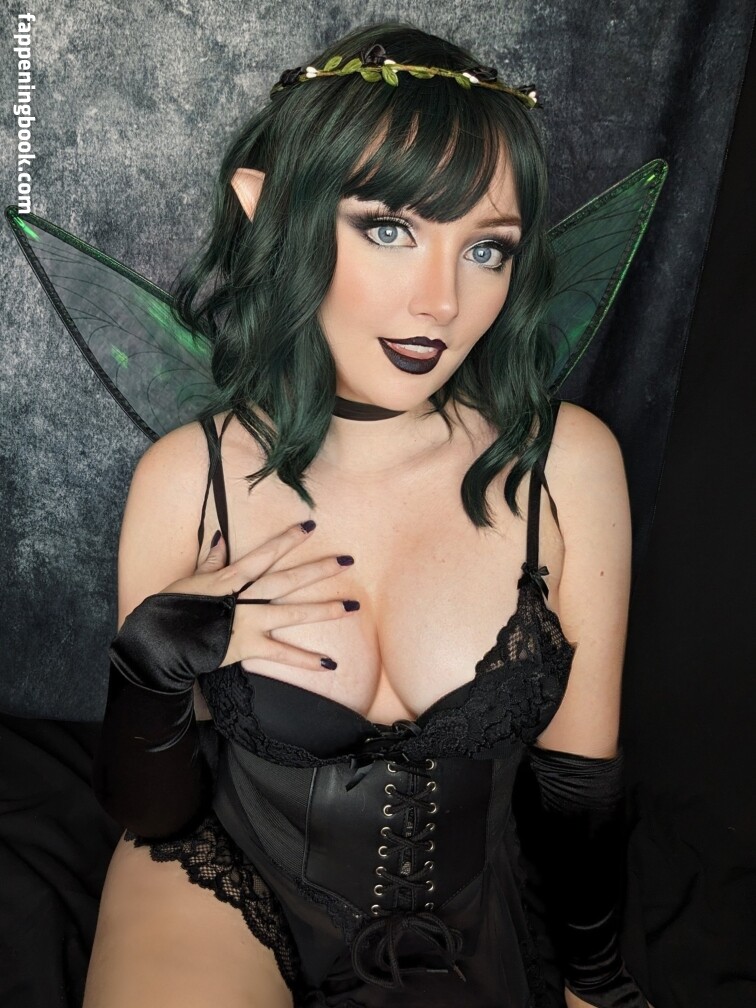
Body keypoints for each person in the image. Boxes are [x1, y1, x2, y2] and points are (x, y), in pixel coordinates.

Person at [82, 21, 649, 1008]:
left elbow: (578, 780)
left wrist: (596, 986)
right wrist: (147, 674)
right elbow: (154, 813)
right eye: (390, 229)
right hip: (225, 887)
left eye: (487, 248)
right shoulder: (188, 478)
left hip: (462, 910)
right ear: (270, 210)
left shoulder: (567, 466)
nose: (442, 302)